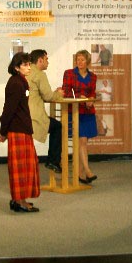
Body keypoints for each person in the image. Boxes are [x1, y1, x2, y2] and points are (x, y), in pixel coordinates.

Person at [0, 52, 40, 213]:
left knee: (26, 167)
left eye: (29, 64)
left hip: (22, 129)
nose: (29, 67)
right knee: (20, 169)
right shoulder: (16, 83)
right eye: (25, 65)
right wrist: (3, 132)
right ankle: (19, 202)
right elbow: (9, 110)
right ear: (16, 67)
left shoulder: (21, 81)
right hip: (18, 130)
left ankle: (19, 200)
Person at [62, 49, 98, 184]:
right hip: (74, 111)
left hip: (88, 112)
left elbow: (92, 93)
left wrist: (91, 100)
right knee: (82, 141)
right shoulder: (69, 73)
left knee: (82, 143)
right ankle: (87, 171)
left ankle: (80, 174)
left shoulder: (93, 76)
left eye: (82, 59)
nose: (80, 62)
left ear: (87, 61)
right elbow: (65, 92)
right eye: (78, 59)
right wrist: (79, 97)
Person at [28, 49, 64, 173]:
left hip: (24, 115)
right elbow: (48, 96)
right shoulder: (39, 74)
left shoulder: (27, 71)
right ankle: (53, 161)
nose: (48, 62)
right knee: (58, 126)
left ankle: (52, 161)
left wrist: (54, 93)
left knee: (54, 125)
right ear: (40, 60)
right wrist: (59, 93)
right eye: (46, 59)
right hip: (34, 117)